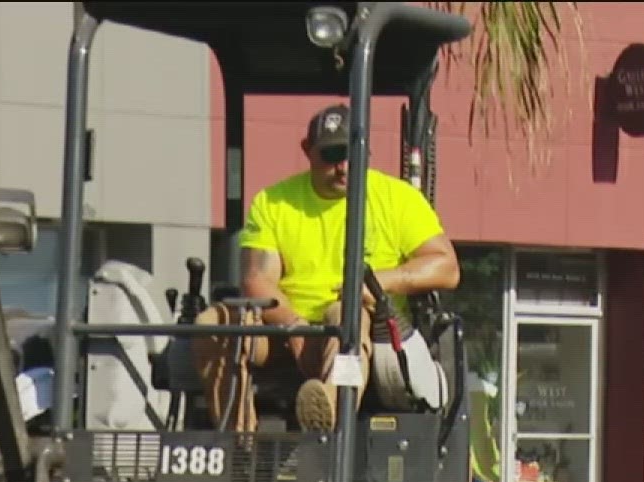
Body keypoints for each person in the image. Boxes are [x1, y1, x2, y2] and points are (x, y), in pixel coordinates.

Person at [193, 102, 460, 432]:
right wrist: (294, 327)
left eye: (351, 154)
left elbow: (446, 267)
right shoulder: (274, 202)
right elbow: (257, 280)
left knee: (345, 312)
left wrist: (379, 282)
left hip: (359, 327)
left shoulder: (397, 199)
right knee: (212, 323)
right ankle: (240, 448)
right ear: (308, 151)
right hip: (283, 327)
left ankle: (326, 415)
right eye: (331, 155)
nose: (343, 166)